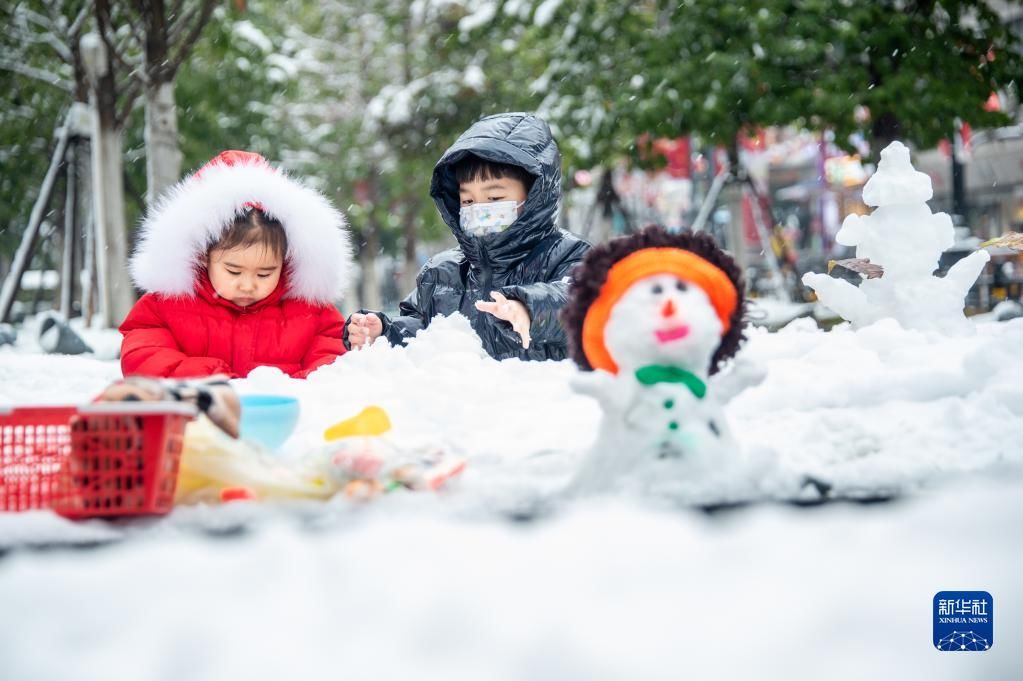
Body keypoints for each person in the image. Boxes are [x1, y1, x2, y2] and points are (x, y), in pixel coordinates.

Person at [344, 112, 590, 360]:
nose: (479, 209)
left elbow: (583, 301)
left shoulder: (568, 256)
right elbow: (423, 332)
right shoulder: (441, 273)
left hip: (537, 396)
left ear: (535, 196)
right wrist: (385, 332)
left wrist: (530, 308)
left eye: (494, 198)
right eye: (468, 200)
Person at [120, 150, 353, 378]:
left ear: (285, 262)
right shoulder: (167, 306)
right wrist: (211, 379)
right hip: (205, 414)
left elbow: (334, 359)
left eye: (264, 274)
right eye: (234, 271)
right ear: (203, 256)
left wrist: (298, 388)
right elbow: (143, 357)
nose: (248, 285)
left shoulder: (310, 311)